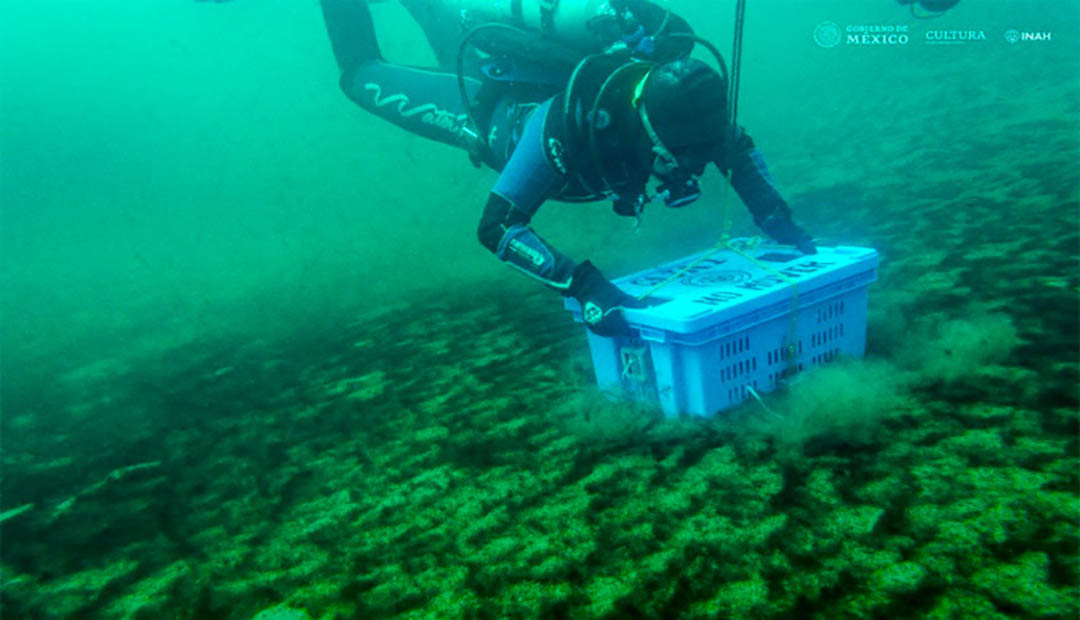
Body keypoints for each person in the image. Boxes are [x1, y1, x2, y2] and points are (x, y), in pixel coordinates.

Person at [319, 0, 816, 336]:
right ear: (648, 130)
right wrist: (585, 286)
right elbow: (498, 227)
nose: (689, 169)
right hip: (486, 110)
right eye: (678, 157)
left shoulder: (688, 108)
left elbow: (738, 151)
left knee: (448, 30)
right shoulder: (568, 125)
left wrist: (778, 220)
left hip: (516, 64)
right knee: (361, 75)